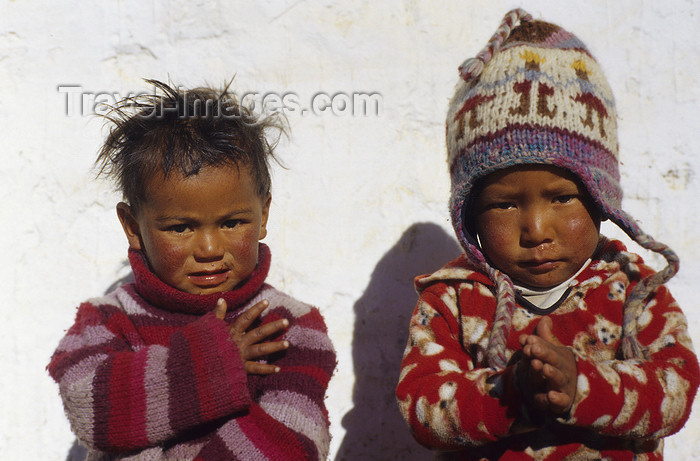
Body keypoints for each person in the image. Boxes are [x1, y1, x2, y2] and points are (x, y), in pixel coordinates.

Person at [395, 9, 699, 460]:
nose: (536, 230)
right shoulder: (452, 299)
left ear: (601, 198)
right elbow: (422, 406)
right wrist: (511, 390)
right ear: (470, 213)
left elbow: (675, 390)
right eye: (504, 204)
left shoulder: (633, 291)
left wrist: (582, 384)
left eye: (561, 198)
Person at [48, 80, 336, 460]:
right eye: (180, 228)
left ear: (263, 213)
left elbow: (292, 443)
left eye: (232, 223)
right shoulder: (106, 322)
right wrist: (210, 365)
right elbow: (89, 410)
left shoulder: (288, 326)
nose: (210, 249)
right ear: (133, 226)